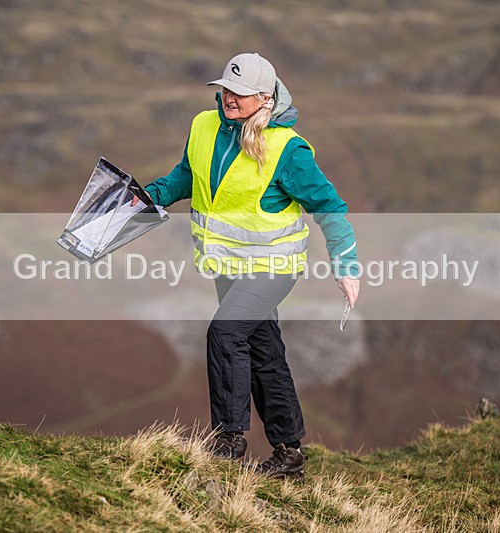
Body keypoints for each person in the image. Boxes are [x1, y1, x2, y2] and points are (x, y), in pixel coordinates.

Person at [136, 53, 360, 479]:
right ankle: (289, 452)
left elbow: (330, 207)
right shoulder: (204, 125)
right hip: (227, 265)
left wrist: (346, 264)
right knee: (263, 349)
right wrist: (150, 197)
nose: (228, 98)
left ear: (264, 97)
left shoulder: (287, 149)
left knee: (226, 332)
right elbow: (186, 177)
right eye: (224, 89)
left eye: (239, 92)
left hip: (274, 266)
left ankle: (228, 440)